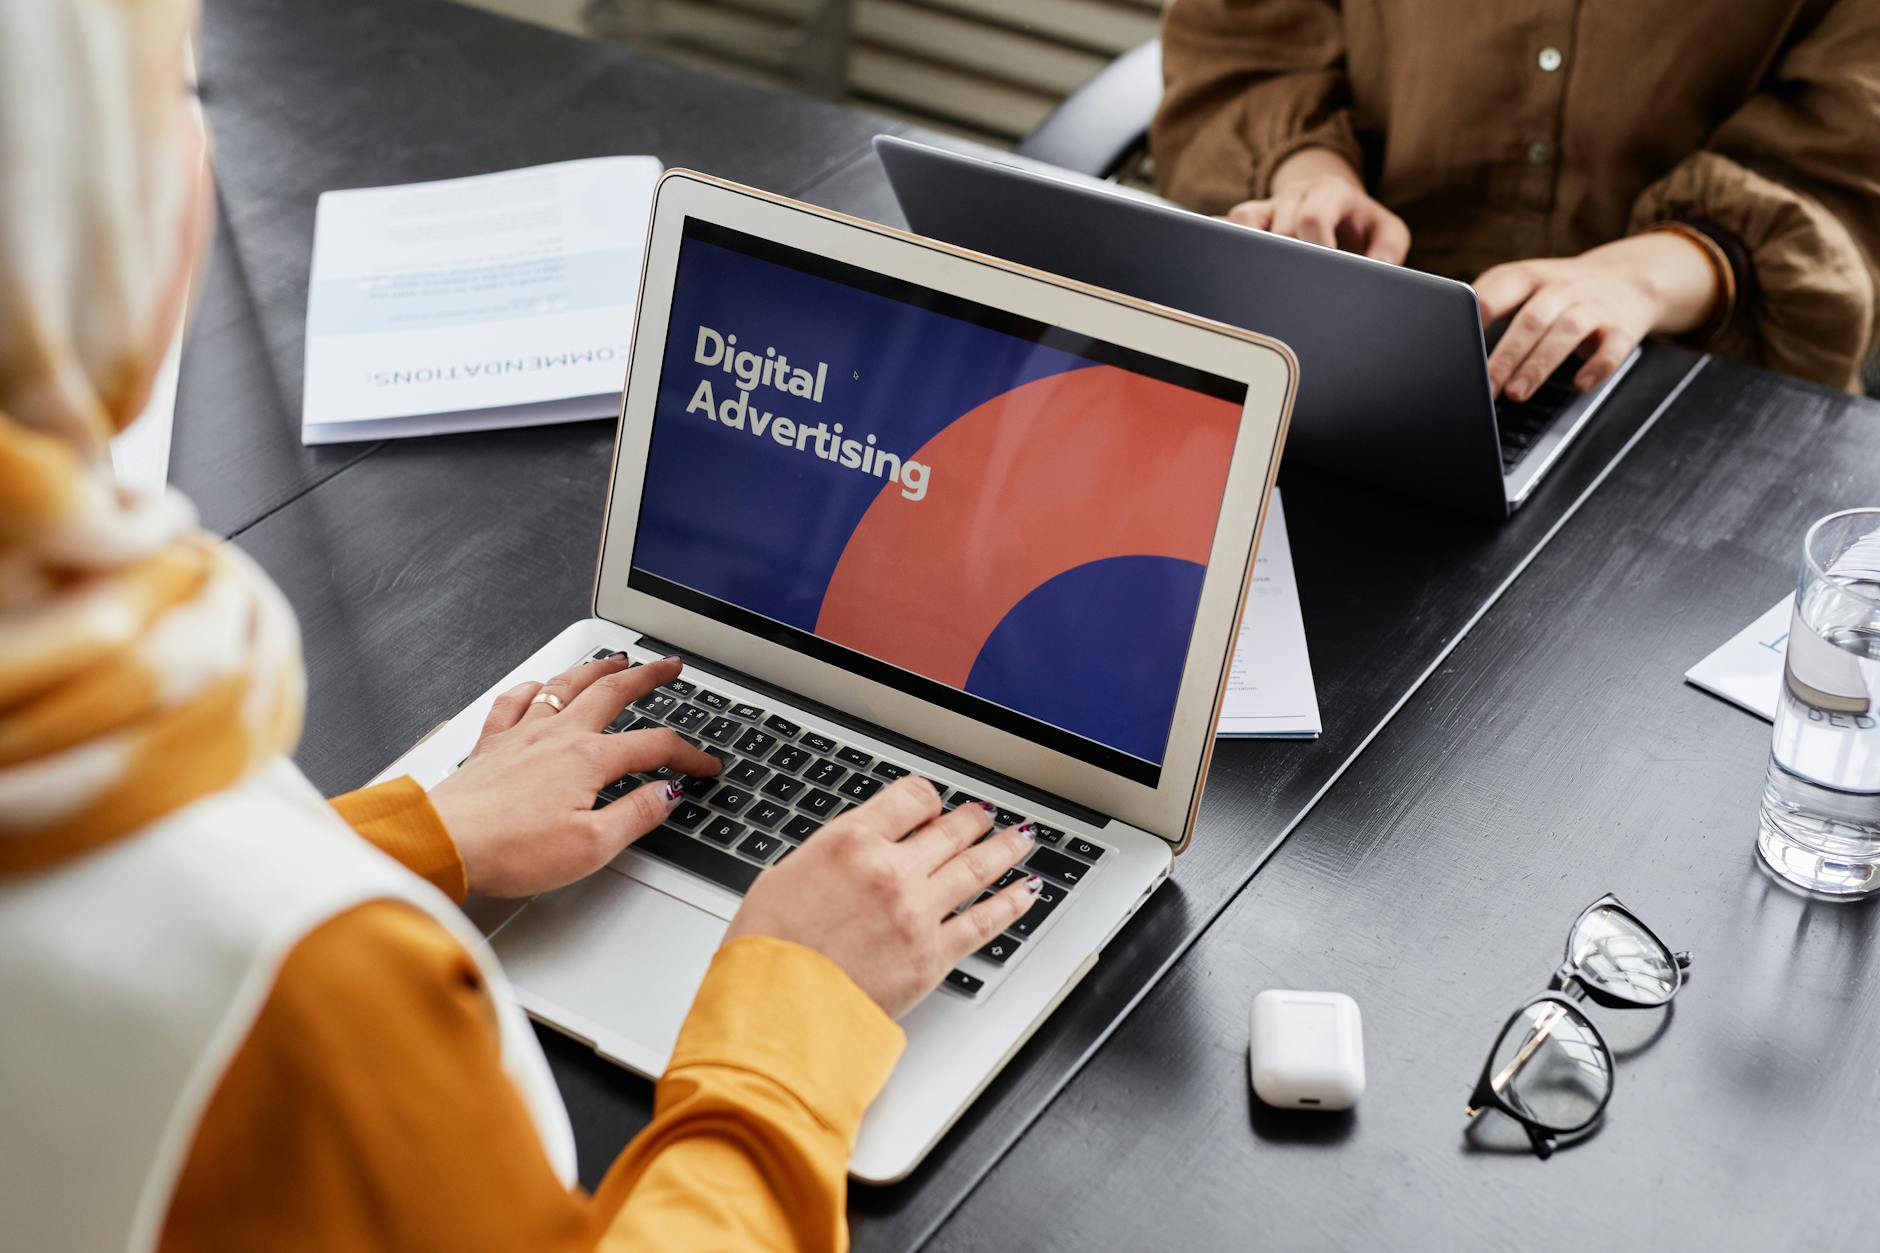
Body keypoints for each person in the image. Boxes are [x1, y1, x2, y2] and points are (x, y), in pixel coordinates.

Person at [0, 3, 1042, 1250]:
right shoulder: (323, 1019)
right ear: (118, 230)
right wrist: (787, 1026)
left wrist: (411, 836)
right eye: (170, 107)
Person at [1151, 0, 1880, 400]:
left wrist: (1643, 277)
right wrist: (1310, 176)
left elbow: (1849, 170)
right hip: (1336, 343)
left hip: (1688, 381)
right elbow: (1242, 46)